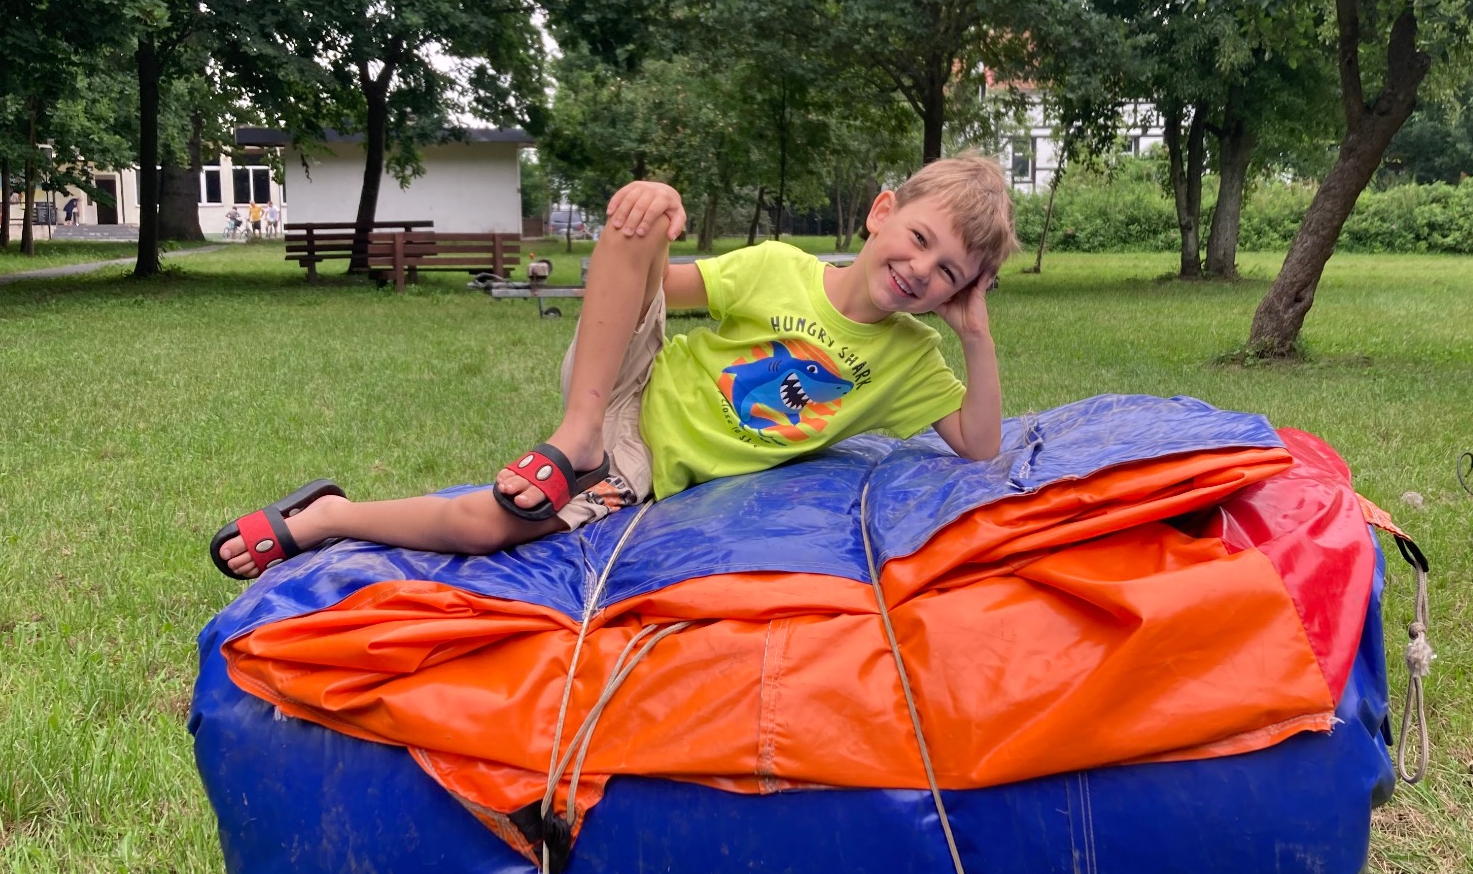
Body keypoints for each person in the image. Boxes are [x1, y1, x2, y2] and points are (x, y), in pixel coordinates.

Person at [211, 155, 1015, 581]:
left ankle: (324, 516)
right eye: (918, 239)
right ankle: (575, 431)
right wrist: (654, 211)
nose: (922, 271)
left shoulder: (912, 358)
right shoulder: (778, 266)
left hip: (643, 465)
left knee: (483, 528)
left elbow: (980, 444)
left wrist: (975, 337)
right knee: (645, 216)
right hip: (626, 383)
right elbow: (643, 286)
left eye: (949, 273)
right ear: (883, 213)